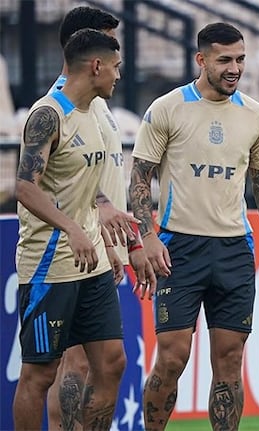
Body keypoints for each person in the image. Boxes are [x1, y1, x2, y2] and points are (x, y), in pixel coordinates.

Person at [129, 22, 259, 430]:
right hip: (179, 247)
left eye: (240, 59)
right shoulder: (167, 108)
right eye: (225, 60)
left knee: (231, 360)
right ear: (201, 60)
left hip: (234, 248)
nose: (234, 68)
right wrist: (147, 236)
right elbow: (139, 177)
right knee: (173, 356)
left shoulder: (256, 115)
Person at [44, 7, 156, 430]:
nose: (115, 61)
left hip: (102, 245)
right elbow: (64, 180)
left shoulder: (97, 105)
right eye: (109, 49)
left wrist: (130, 243)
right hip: (76, 247)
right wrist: (105, 221)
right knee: (72, 362)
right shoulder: (63, 106)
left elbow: (106, 175)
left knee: (104, 363)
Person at [13, 29, 126, 431]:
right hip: (50, 264)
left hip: (91, 261)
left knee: (112, 362)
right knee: (40, 375)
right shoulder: (48, 115)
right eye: (115, 67)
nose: (118, 75)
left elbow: (79, 180)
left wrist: (104, 219)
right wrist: (71, 229)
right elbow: (25, 186)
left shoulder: (93, 114)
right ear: (95, 66)